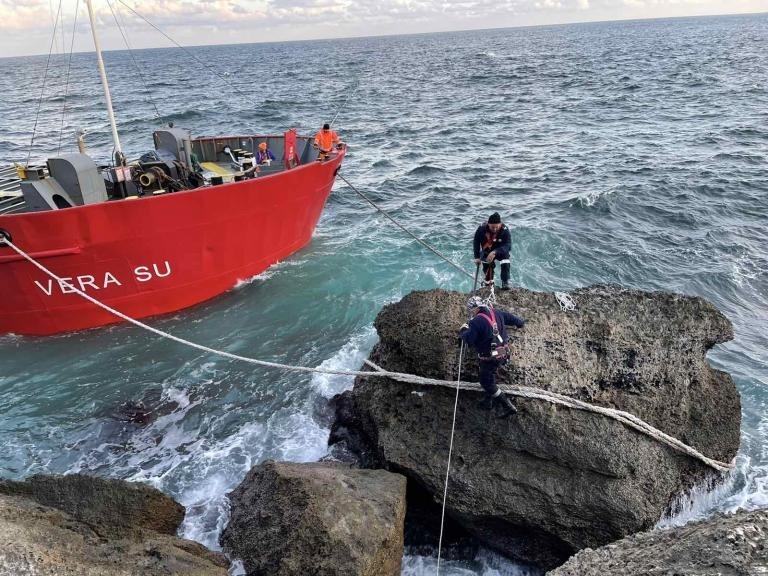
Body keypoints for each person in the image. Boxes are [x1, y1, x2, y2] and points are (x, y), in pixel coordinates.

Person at [459, 295, 524, 417]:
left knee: (486, 382)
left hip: (490, 358)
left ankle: (508, 406)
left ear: (474, 309)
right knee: (490, 375)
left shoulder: (476, 322)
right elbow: (512, 319)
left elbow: (469, 340)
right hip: (504, 354)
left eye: (470, 310)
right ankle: (488, 402)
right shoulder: (496, 312)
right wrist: (520, 323)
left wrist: (463, 331)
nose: (470, 313)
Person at [473, 212, 512, 290]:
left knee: (505, 260)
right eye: (492, 227)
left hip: (500, 251)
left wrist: (495, 252)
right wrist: (477, 257)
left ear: (500, 224)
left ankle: (505, 282)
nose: (494, 229)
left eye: (496, 227)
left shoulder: (505, 230)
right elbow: (476, 242)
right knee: (487, 265)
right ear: (488, 224)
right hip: (487, 250)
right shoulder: (481, 229)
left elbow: (508, 245)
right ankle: (489, 283)